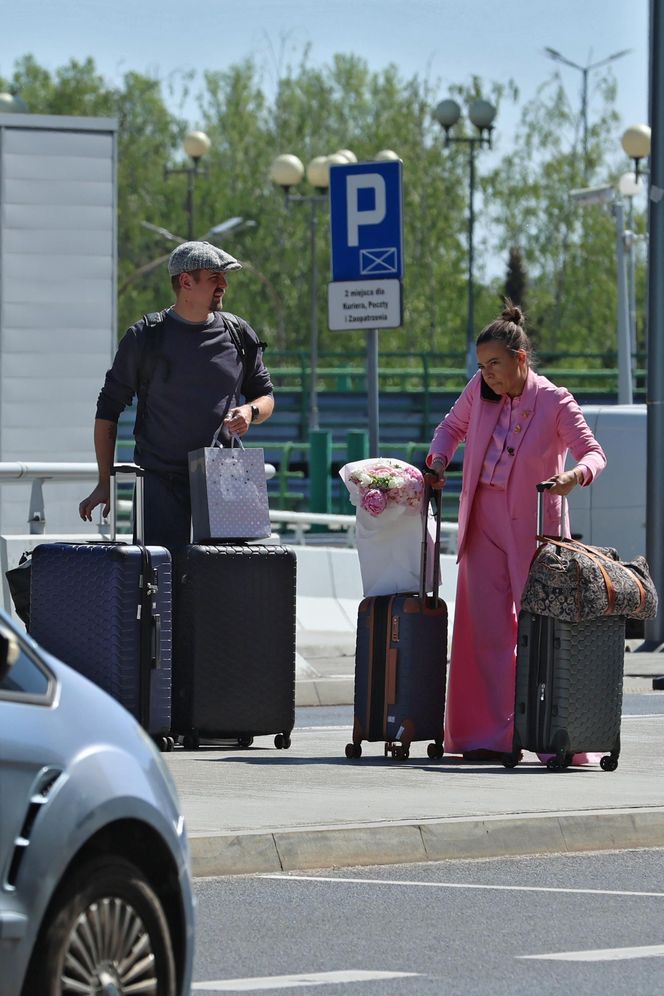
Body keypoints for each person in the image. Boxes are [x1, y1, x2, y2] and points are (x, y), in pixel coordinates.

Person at [427, 301, 606, 764]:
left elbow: (593, 452)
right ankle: (486, 736)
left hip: (536, 530)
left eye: (495, 365)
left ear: (520, 359)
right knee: (484, 629)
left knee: (542, 631)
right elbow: (451, 427)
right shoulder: (478, 390)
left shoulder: (555, 400)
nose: (487, 374)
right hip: (482, 519)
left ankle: (553, 739)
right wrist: (438, 458)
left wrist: (575, 477)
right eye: (482, 366)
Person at [79, 240, 274, 554]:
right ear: (186, 282)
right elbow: (108, 409)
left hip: (225, 482)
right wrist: (105, 481)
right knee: (161, 584)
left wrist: (250, 411)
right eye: (214, 277)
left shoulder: (238, 333)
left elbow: (265, 397)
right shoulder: (145, 336)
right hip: (159, 484)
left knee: (223, 583)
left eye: (223, 278)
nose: (223, 285)